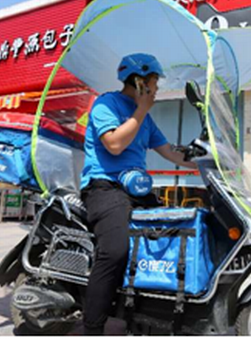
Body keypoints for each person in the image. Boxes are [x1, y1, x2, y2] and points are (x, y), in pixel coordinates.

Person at [80, 53, 197, 335]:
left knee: (173, 231)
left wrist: (206, 158)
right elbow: (114, 145)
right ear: (140, 82)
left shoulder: (145, 119)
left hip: (136, 191)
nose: (157, 90)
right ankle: (92, 327)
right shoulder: (106, 104)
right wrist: (141, 109)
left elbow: (171, 153)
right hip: (104, 187)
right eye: (154, 83)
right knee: (116, 249)